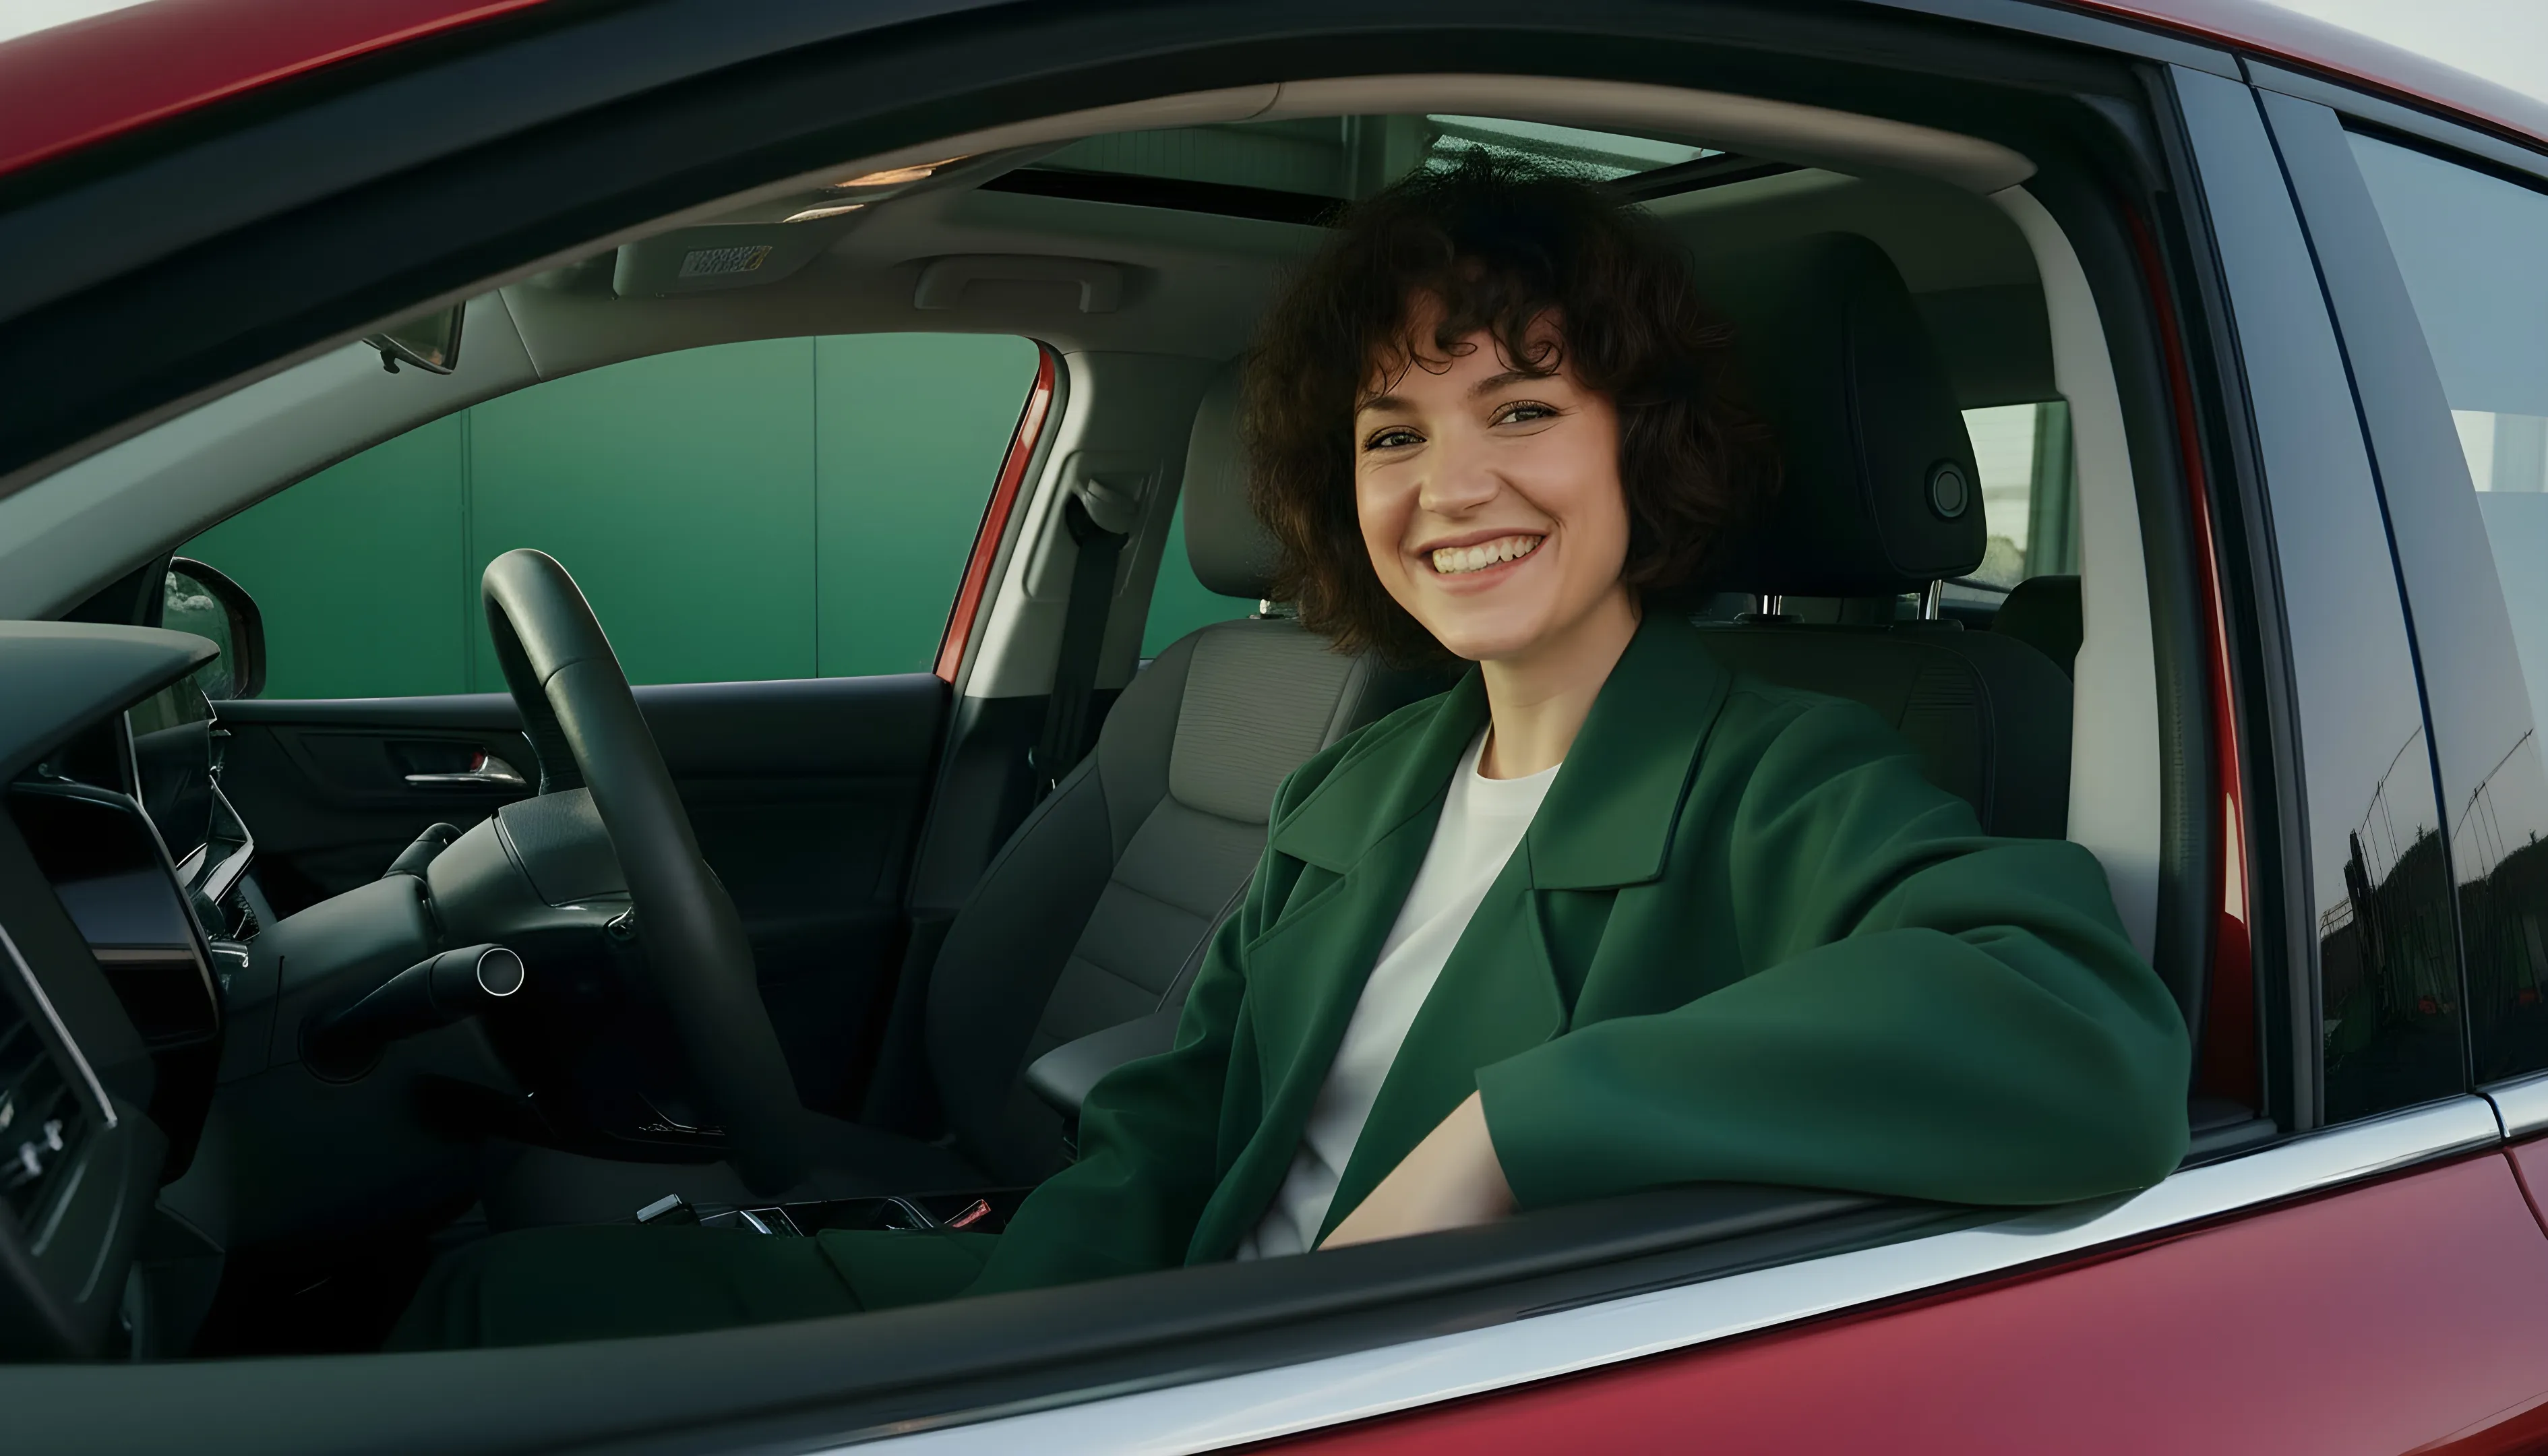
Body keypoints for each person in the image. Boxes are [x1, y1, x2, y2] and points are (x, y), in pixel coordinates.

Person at [390, 153, 2189, 1349]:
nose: (1451, 486)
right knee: (489, 1306)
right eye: (1391, 431)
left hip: (1364, 1387)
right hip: (1164, 1334)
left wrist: (1515, 1125)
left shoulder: (1780, 770)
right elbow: (1162, 1143)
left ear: (1646, 446)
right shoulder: (1359, 780)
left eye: (1522, 412)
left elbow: (2081, 1039)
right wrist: (989, 1360)